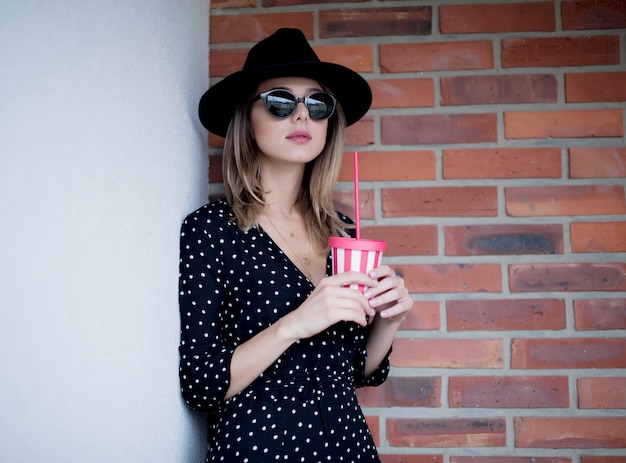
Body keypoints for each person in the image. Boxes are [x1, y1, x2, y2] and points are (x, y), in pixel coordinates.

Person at [179, 28, 413, 462]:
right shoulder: (211, 229)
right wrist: (296, 323)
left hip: (348, 446)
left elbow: (360, 372)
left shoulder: (342, 232)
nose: (302, 116)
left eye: (317, 104)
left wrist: (389, 320)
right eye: (280, 102)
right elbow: (201, 384)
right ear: (246, 118)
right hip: (261, 447)